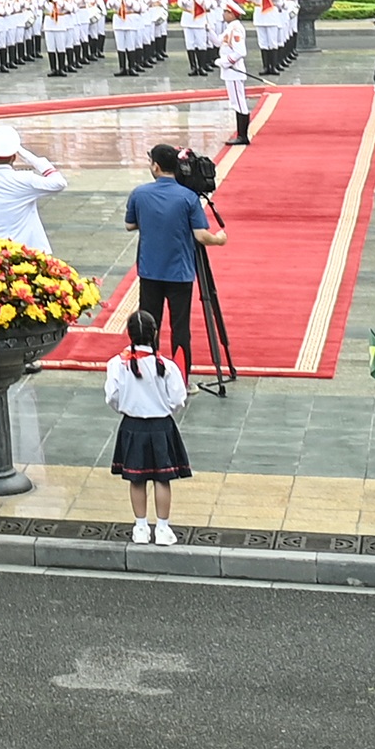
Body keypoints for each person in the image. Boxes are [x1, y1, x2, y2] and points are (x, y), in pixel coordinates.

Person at [121, 144, 220, 364]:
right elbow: (201, 235)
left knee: (148, 323)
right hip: (180, 273)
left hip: (150, 271)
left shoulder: (139, 193)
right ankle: (181, 375)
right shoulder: (188, 197)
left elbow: (130, 225)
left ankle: (148, 369)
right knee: (180, 327)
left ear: (156, 167)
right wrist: (219, 240)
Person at [104, 308, 191, 545]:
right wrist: (164, 409)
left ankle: (140, 528)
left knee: (137, 479)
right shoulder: (167, 366)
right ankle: (162, 529)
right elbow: (178, 399)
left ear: (129, 334)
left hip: (132, 426)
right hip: (162, 426)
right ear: (155, 333)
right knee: (162, 478)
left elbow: (112, 397)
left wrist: (127, 408)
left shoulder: (117, 364)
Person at [0, 125, 64, 249]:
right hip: (28, 250)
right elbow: (59, 183)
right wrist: (27, 155)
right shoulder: (26, 179)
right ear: (14, 157)